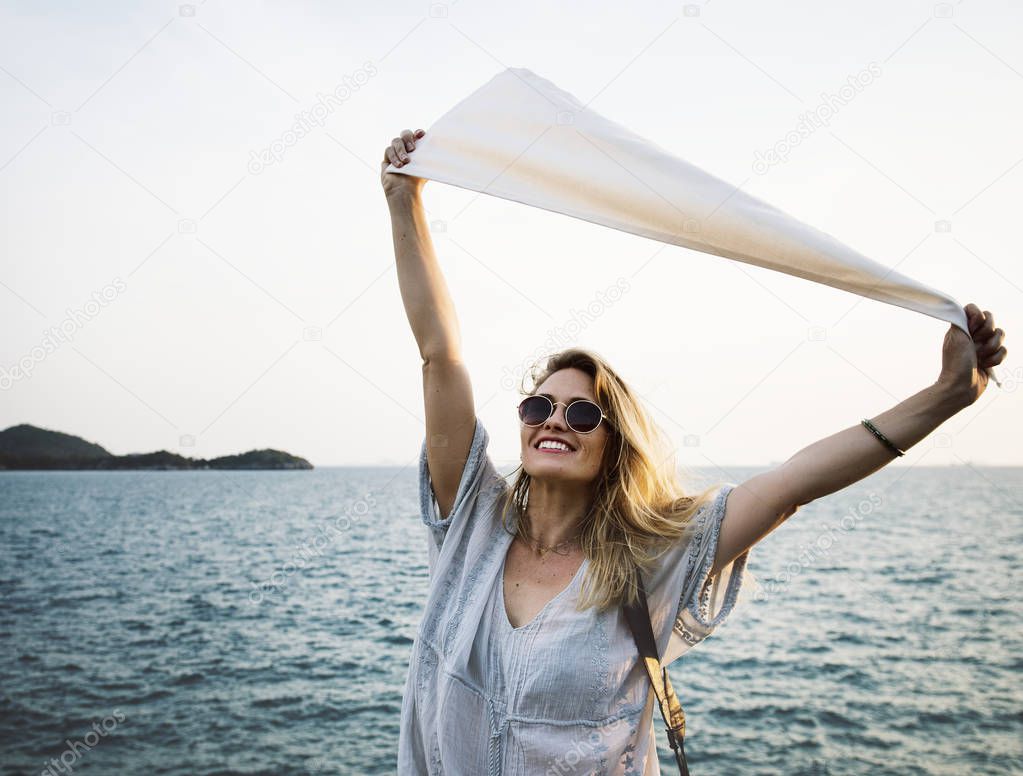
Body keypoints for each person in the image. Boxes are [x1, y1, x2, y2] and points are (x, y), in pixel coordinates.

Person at [380, 127, 1008, 775]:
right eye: (538, 406)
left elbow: (791, 484)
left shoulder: (651, 562)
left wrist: (945, 396)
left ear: (612, 444)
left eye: (582, 413)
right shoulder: (467, 526)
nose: (555, 421)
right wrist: (405, 201)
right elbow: (440, 355)